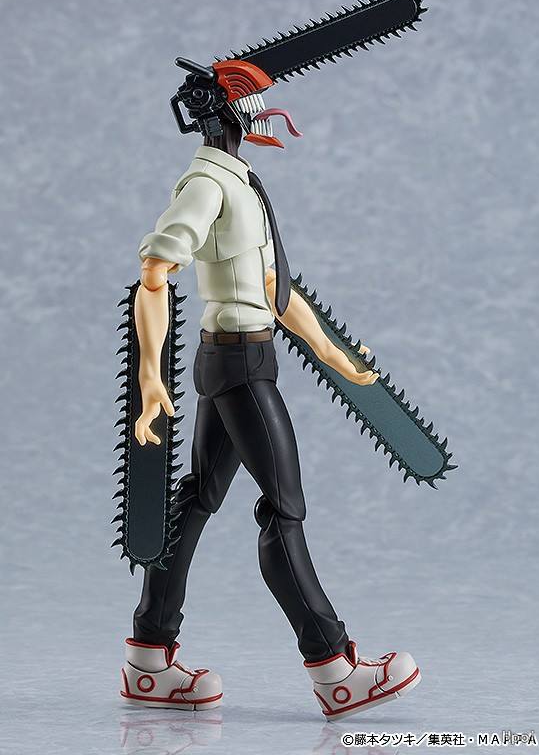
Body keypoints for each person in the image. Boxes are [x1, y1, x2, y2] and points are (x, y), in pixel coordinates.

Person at [120, 106, 421, 720]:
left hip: (242, 356)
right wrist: (150, 376)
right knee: (283, 511)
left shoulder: (241, 182)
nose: (270, 115)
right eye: (255, 103)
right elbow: (154, 270)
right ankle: (334, 671)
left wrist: (333, 355)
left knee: (198, 497)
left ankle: (147, 660)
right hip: (238, 366)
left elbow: (271, 288)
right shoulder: (208, 184)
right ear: (231, 114)